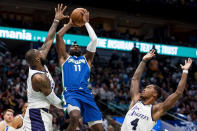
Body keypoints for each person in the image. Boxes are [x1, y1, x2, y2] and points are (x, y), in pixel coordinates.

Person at [121, 49, 193, 131]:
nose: (144, 89)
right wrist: (143, 61)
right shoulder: (136, 100)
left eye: (148, 88)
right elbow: (135, 79)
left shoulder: (156, 109)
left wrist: (185, 71)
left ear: (155, 94)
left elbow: (178, 93)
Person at [56, 9, 103, 131]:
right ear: (69, 49)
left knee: (99, 129)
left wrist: (86, 22)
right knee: (75, 117)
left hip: (86, 94)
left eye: (77, 45)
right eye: (73, 45)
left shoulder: (87, 59)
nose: (76, 46)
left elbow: (94, 40)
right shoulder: (64, 58)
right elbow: (59, 36)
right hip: (71, 93)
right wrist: (70, 24)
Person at [23, 4, 68, 131]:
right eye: (39, 51)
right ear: (37, 58)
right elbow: (54, 100)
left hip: (42, 114)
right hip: (36, 115)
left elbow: (49, 40)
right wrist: (67, 104)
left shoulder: (39, 62)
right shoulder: (38, 78)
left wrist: (56, 20)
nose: (42, 51)